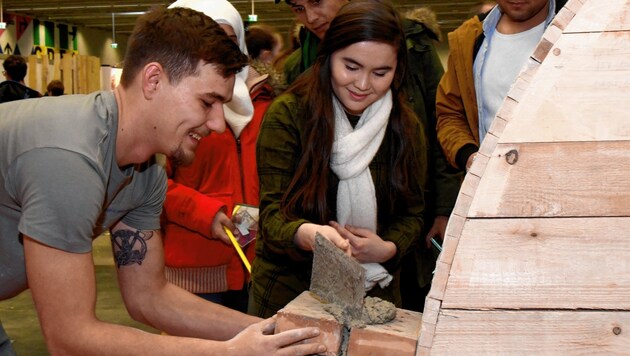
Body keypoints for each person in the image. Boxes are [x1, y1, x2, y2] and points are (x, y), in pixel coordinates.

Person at [0, 6, 325, 356]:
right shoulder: (70, 158)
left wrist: (270, 331)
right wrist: (230, 352)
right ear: (153, 80)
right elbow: (68, 337)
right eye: (208, 102)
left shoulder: (146, 170)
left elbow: (149, 297)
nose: (217, 123)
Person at [275, 0, 462, 311]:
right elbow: (274, 213)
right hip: (296, 286)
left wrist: (390, 246)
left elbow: (414, 205)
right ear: (329, 56)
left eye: (380, 72)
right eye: (350, 67)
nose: (362, 84)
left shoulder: (405, 122)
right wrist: (308, 234)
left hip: (384, 282)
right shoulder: (291, 103)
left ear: (397, 70)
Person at [161, 0, 271, 313]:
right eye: (205, 42)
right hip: (195, 268)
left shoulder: (267, 102)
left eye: (227, 40)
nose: (218, 51)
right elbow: (149, 184)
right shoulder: (170, 105)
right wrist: (205, 213)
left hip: (256, 266)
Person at [436, 0, 556, 173]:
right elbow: (450, 113)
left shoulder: (584, 32)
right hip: (491, 190)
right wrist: (469, 157)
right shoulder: (468, 39)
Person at [246, 24, 288, 96]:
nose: (281, 54)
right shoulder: (265, 87)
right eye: (280, 50)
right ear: (266, 55)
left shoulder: (237, 77)